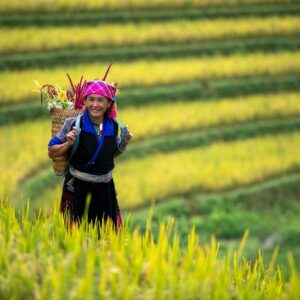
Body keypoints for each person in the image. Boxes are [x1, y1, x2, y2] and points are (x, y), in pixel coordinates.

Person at [48, 79, 132, 230]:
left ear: (108, 104)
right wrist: (67, 143)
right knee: (75, 235)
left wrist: (124, 143)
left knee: (106, 237)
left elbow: (111, 155)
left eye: (101, 100)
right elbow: (51, 151)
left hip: (105, 188)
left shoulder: (112, 126)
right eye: (91, 99)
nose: (95, 104)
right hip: (77, 186)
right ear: (85, 102)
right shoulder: (73, 123)